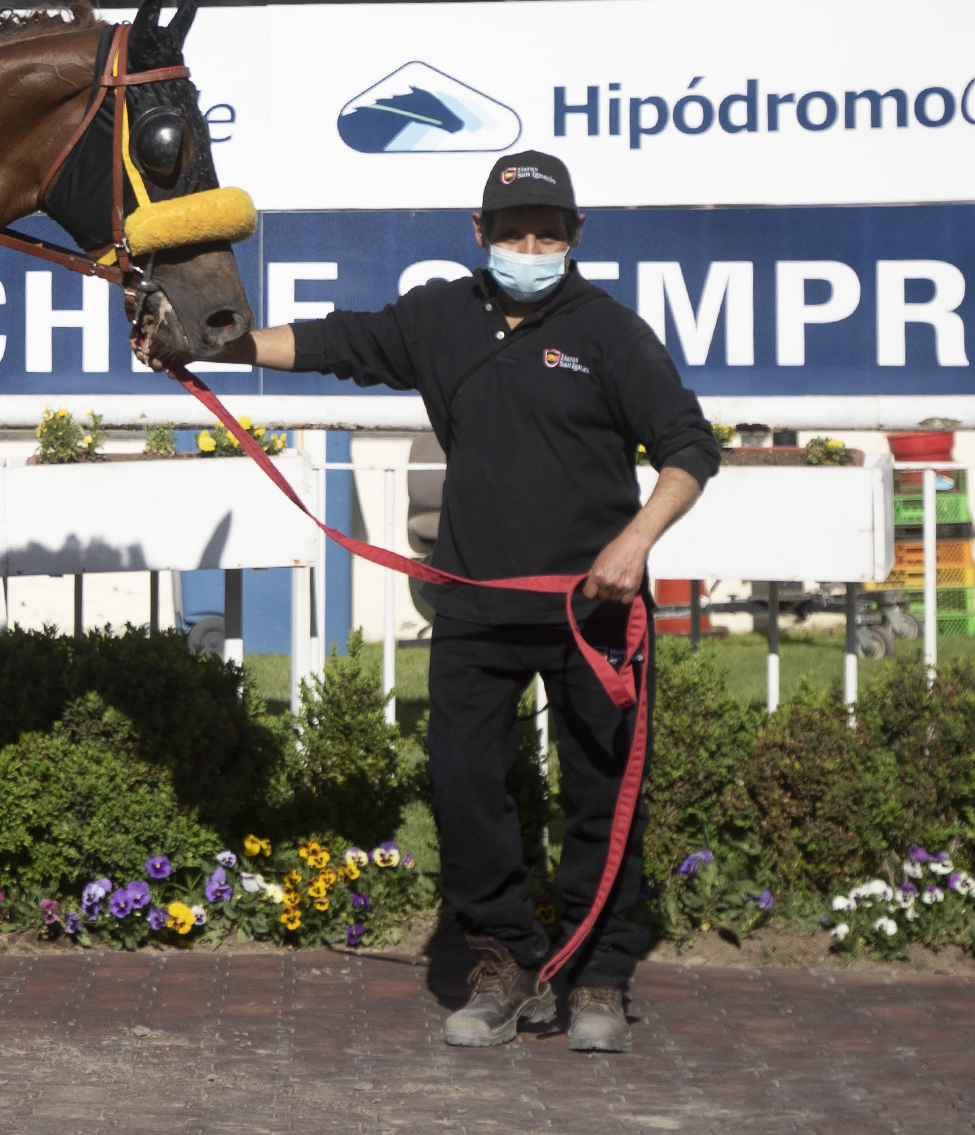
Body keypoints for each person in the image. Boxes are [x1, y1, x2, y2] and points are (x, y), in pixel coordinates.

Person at [208, 150, 718, 1053]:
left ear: (576, 235)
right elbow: (332, 344)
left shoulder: (610, 331)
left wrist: (637, 540)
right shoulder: (440, 316)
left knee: (602, 796)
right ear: (480, 232)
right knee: (462, 784)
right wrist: (216, 346)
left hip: (593, 613)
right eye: (514, 231)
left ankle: (600, 974)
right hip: (477, 607)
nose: (531, 247)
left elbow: (689, 448)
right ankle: (506, 960)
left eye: (548, 233)